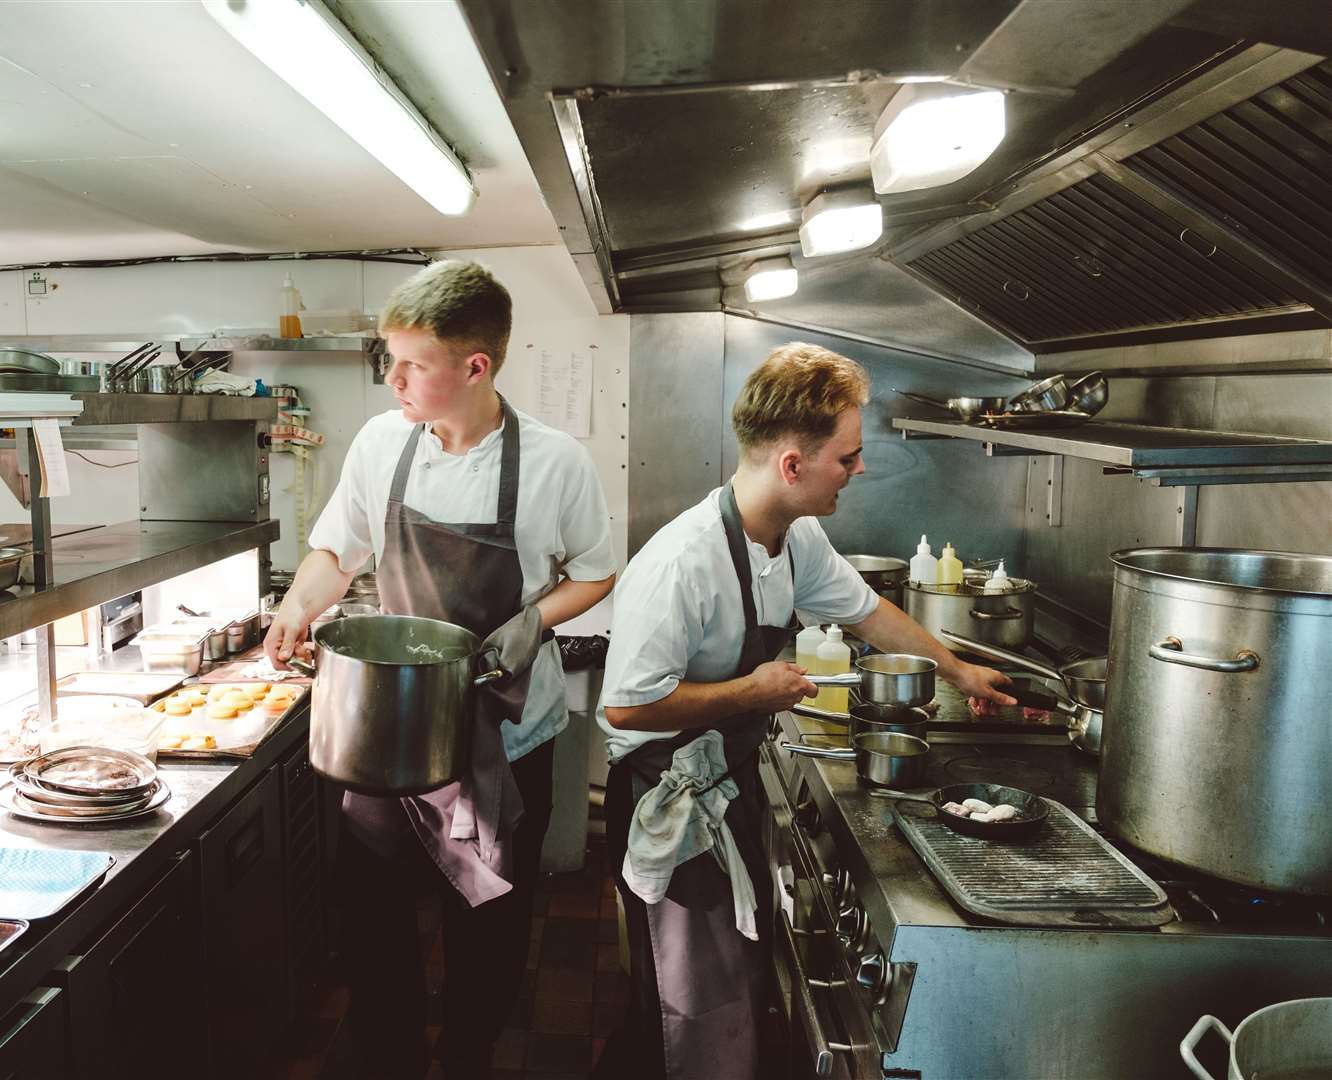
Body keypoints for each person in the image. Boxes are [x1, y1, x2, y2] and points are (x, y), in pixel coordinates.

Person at [593, 342, 1013, 1079]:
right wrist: (749, 693)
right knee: (686, 1002)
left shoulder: (795, 536)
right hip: (667, 799)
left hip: (726, 781)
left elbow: (868, 612)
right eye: (847, 458)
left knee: (729, 988)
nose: (859, 471)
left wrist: (957, 669)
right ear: (793, 465)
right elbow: (627, 709)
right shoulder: (681, 565)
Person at [262, 259, 616, 1080]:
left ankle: (468, 1056)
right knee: (375, 927)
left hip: (507, 732)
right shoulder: (383, 445)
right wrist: (296, 608)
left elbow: (596, 573)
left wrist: (536, 618)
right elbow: (337, 552)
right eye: (392, 360)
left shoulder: (555, 462)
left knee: (487, 929)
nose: (394, 380)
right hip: (389, 733)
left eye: (412, 364)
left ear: (475, 366)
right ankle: (387, 1058)